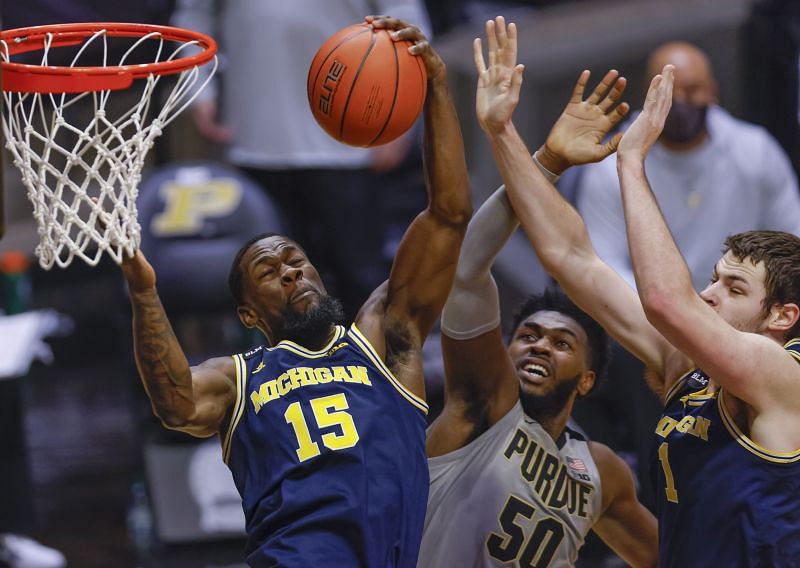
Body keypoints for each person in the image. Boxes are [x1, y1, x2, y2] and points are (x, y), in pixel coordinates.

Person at [118, 16, 471, 567]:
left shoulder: (384, 340)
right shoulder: (240, 377)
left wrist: (438, 89)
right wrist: (144, 295)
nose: (289, 272)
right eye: (268, 272)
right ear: (249, 314)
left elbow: (448, 217)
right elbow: (175, 400)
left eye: (296, 260)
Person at [480, 20, 800, 565]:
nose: (709, 293)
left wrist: (631, 159)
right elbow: (570, 258)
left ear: (781, 316)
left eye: (734, 287)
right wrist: (501, 132)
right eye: (714, 278)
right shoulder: (687, 365)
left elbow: (665, 302)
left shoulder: (783, 375)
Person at [418, 17, 657, 567]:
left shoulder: (602, 473)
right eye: (527, 336)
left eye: (560, 343)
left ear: (590, 379)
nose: (539, 346)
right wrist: (545, 161)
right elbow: (467, 265)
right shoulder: (480, 407)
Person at [171, 0, 432, 317]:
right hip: (258, 140)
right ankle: (286, 366)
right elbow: (193, 14)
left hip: (349, 145)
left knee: (360, 279)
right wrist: (199, 89)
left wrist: (401, 121)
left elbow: (406, 21)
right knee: (270, 288)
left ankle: (371, 364)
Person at [576, 41, 800, 294]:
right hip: (649, 315)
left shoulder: (755, 151)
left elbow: (792, 242)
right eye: (669, 91)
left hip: (745, 310)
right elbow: (606, 266)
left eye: (692, 90)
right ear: (648, 95)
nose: (680, 101)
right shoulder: (611, 164)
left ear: (712, 91)